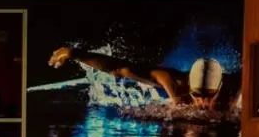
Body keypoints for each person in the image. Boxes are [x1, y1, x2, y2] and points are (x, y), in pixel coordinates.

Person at [48, 46, 234, 112]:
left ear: (220, 87)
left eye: (209, 96)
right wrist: (74, 54)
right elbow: (122, 69)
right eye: (197, 95)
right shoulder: (177, 84)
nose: (202, 103)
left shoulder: (234, 91)